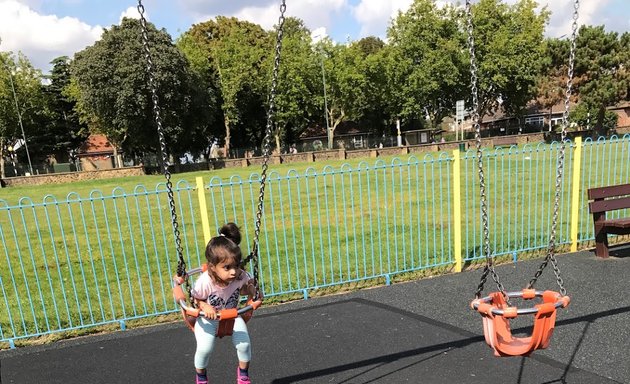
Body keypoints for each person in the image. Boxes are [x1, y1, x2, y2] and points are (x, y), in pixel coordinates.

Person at [191, 222, 259, 384]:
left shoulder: (239, 275)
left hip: (232, 317)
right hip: (208, 319)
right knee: (205, 348)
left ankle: (243, 375)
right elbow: (195, 298)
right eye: (227, 267)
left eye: (236, 265)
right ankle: (201, 376)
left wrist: (251, 290)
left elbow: (243, 289)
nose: (233, 271)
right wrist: (204, 305)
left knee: (244, 345)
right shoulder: (205, 282)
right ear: (213, 268)